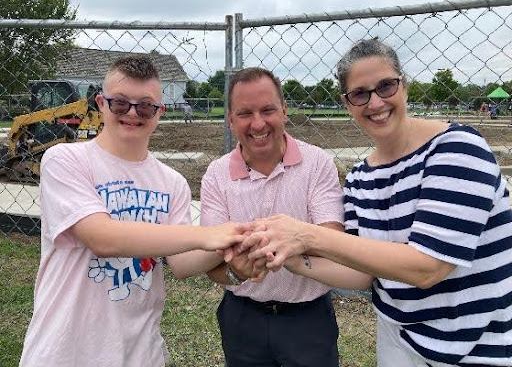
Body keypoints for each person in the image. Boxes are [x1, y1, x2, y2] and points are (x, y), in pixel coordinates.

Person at [241, 39, 512, 366]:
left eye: (386, 86)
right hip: (400, 337)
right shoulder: (360, 177)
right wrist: (285, 256)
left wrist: (306, 236)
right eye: (360, 93)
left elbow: (427, 267)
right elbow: (363, 273)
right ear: (347, 103)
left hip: (479, 342)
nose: (375, 102)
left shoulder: (458, 150)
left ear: (404, 87)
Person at [18, 55, 245, 367]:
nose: (133, 113)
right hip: (65, 351)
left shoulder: (172, 183)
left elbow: (181, 263)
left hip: (139, 353)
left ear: (159, 112)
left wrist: (238, 238)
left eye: (146, 106)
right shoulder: (65, 160)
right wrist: (207, 235)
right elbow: (101, 238)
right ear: (101, 103)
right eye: (120, 103)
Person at [197, 67, 371, 367]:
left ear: (284, 111)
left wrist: (250, 251)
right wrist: (237, 271)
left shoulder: (316, 163)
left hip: (308, 318)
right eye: (244, 113)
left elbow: (331, 238)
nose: (258, 123)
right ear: (230, 119)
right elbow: (214, 262)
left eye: (268, 110)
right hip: (242, 314)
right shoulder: (216, 174)